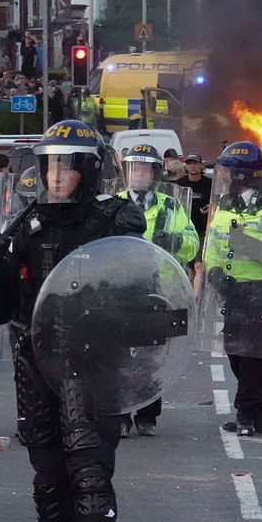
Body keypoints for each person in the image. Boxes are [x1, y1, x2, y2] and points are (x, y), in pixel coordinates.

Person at [0, 121, 144, 522]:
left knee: (90, 480)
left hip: (92, 365)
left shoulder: (113, 221)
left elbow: (138, 288)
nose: (57, 175)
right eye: (50, 165)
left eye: (67, 165)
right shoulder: (26, 225)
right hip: (34, 362)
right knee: (50, 482)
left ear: (88, 170)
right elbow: (2, 313)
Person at [203, 142, 262, 437]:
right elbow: (215, 241)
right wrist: (213, 271)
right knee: (235, 352)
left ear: (242, 174)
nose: (225, 176)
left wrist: (245, 243)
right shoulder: (226, 204)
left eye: (229, 171)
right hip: (232, 289)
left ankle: (244, 412)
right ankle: (261, 412)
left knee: (253, 356)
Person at [114, 144, 200, 437]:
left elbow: (192, 245)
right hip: (122, 291)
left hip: (158, 290)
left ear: (154, 173)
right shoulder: (112, 202)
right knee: (120, 355)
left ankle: (148, 415)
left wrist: (172, 239)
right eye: (133, 167)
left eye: (144, 168)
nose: (138, 173)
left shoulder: (170, 206)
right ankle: (122, 414)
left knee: (152, 356)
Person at [176, 153, 212, 285]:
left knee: (199, 266)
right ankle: (189, 292)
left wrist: (212, 206)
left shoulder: (210, 184)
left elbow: (219, 201)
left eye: (195, 163)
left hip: (203, 231)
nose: (192, 166)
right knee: (188, 267)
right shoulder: (180, 184)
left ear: (202, 165)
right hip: (185, 230)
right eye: (189, 163)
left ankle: (195, 300)